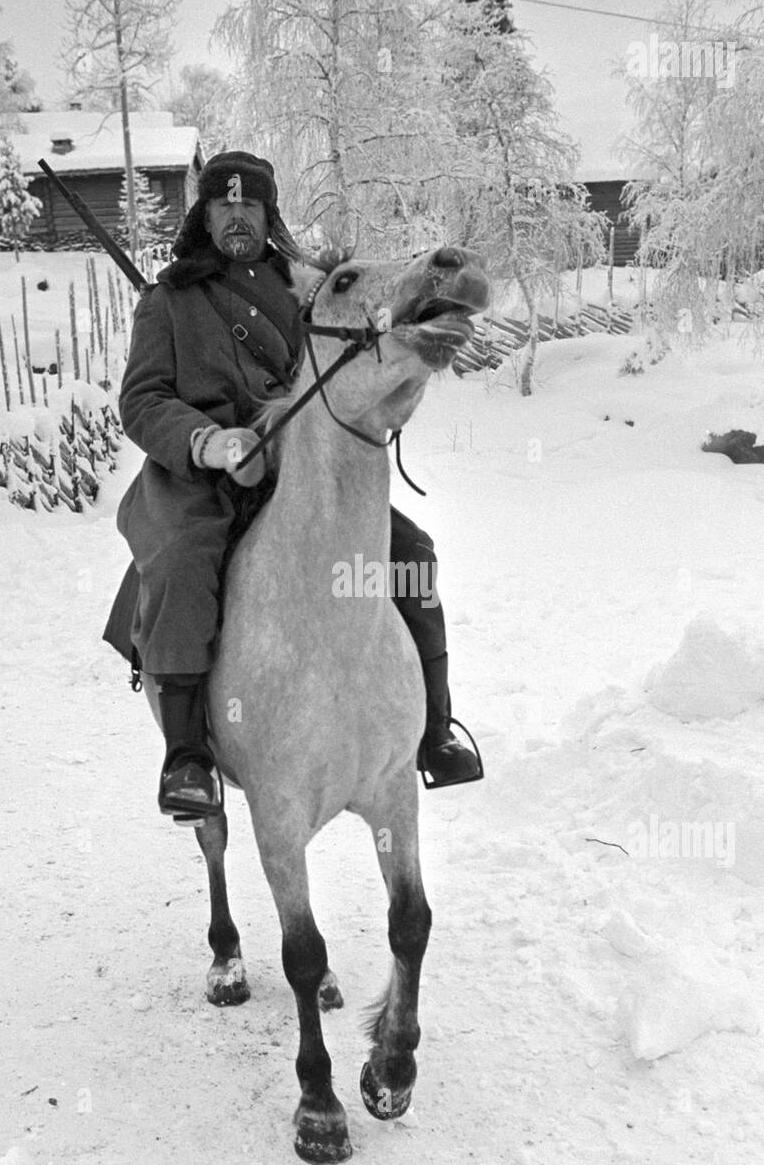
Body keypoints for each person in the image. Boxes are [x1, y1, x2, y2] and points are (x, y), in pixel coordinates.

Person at [102, 150, 482, 823]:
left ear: (268, 214)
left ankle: (435, 731)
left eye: (252, 205)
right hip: (200, 476)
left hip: (295, 466)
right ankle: (189, 757)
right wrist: (212, 443)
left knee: (411, 552)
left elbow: (344, 367)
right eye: (225, 204)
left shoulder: (301, 290)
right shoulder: (169, 301)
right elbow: (143, 400)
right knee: (189, 557)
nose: (238, 217)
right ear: (206, 213)